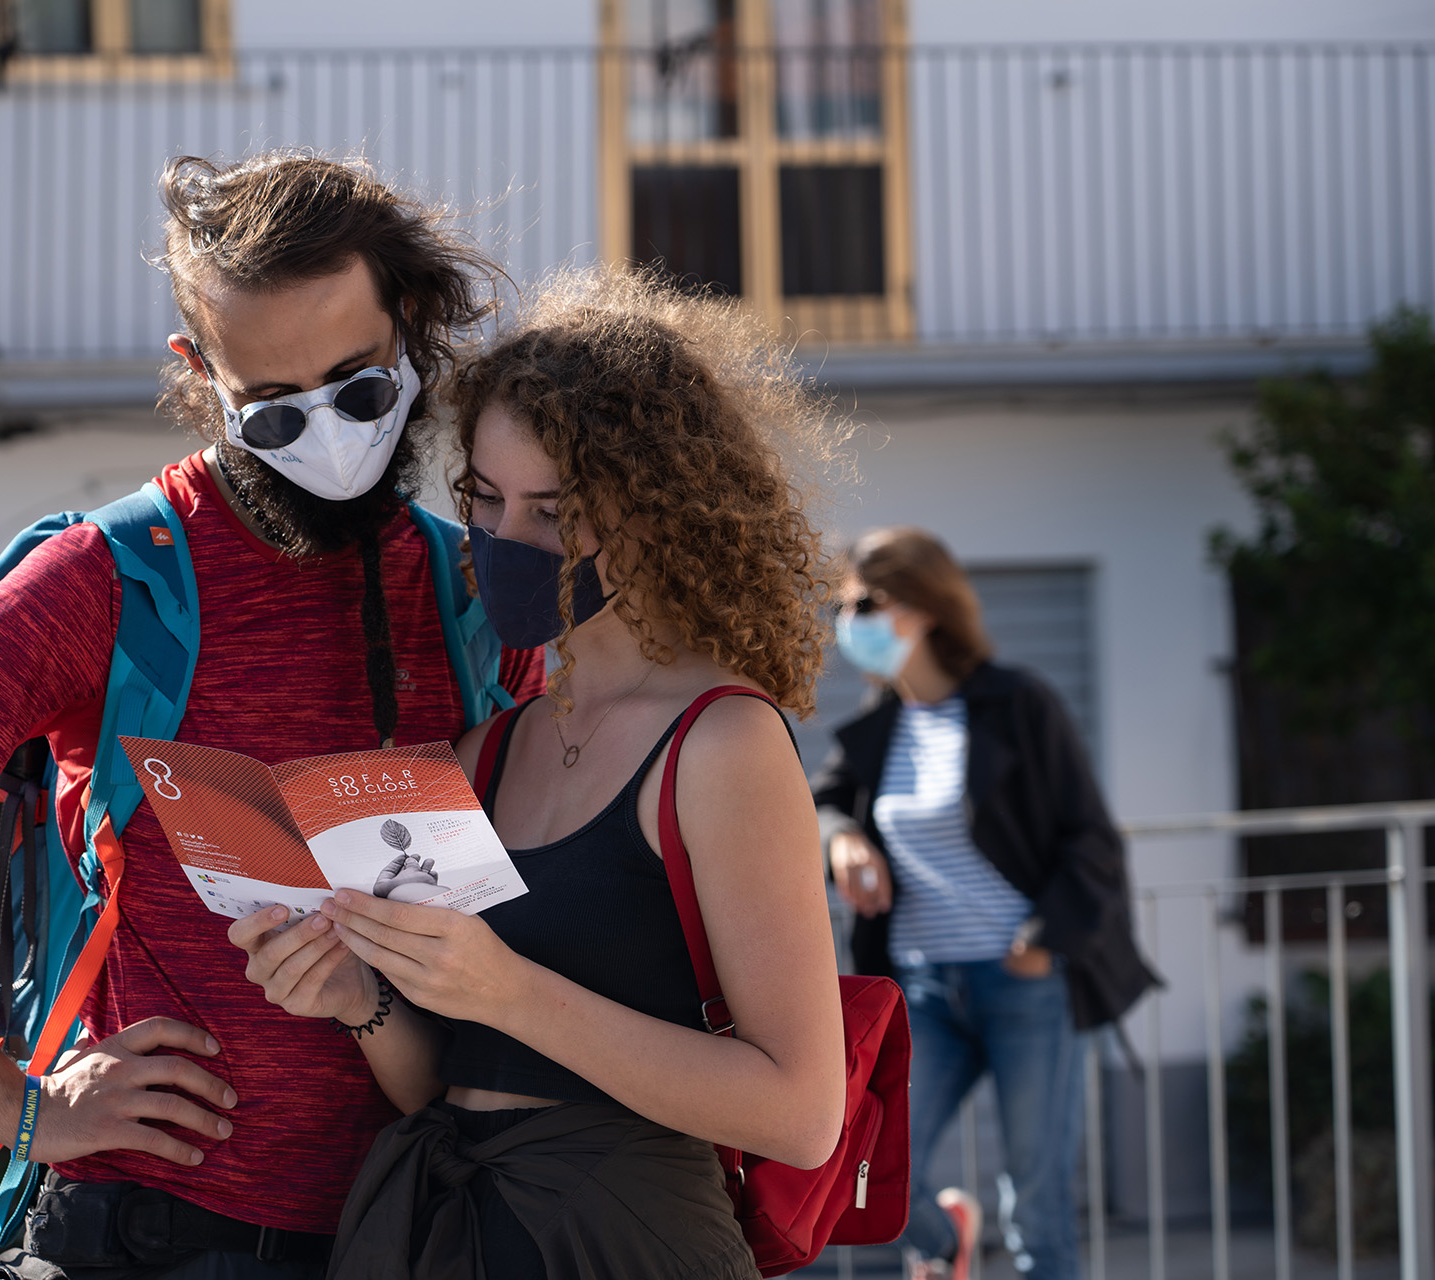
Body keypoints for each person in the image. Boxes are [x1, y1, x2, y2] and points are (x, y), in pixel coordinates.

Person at [0, 151, 546, 1280]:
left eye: (359, 388)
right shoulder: (105, 580)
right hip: (160, 1236)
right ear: (201, 372)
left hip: (424, 1225)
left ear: (410, 321)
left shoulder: (473, 588)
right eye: (274, 410)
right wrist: (20, 1108)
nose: (331, 435)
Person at [230, 268, 850, 1280]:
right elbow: (451, 1082)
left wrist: (511, 991)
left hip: (625, 1239)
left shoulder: (720, 741)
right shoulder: (486, 752)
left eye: (553, 512)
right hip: (451, 1230)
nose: (505, 539)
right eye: (484, 498)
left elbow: (801, 1111)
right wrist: (358, 996)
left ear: (656, 516)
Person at [813, 528, 1157, 1280]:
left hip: (1021, 980)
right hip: (921, 989)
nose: (849, 624)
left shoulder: (1017, 704)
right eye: (842, 608)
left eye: (865, 605)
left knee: (1036, 1204)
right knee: (864, 1157)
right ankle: (946, 1246)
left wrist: (1041, 941)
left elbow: (1091, 839)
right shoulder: (879, 725)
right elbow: (823, 803)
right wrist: (842, 839)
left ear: (923, 607)